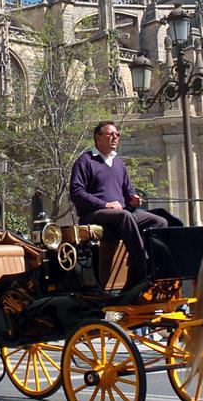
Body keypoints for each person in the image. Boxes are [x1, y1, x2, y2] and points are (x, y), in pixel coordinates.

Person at [69, 121, 168, 290]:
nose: (115, 137)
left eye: (117, 134)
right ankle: (140, 264)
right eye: (110, 134)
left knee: (160, 222)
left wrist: (133, 198)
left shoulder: (118, 163)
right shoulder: (85, 161)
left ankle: (158, 267)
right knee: (125, 216)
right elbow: (76, 193)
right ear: (97, 138)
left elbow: (128, 190)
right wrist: (105, 204)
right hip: (94, 214)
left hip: (121, 213)